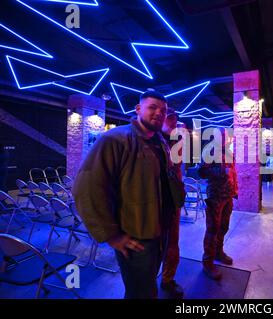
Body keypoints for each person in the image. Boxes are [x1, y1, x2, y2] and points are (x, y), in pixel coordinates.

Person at [72, 90, 185, 299]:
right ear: (138, 109)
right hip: (136, 236)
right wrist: (111, 235)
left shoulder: (159, 141)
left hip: (159, 229)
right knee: (141, 293)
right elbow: (86, 189)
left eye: (163, 110)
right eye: (152, 108)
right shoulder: (115, 139)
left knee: (146, 285)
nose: (159, 113)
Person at [199, 132, 238, 280]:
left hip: (228, 196)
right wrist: (221, 171)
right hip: (215, 196)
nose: (226, 139)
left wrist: (235, 190)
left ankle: (218, 252)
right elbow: (202, 171)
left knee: (224, 227)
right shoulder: (210, 151)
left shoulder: (228, 151)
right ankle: (208, 261)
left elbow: (233, 172)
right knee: (212, 229)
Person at [160, 108, 184, 298]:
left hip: (172, 201)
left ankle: (167, 279)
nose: (174, 122)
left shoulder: (176, 141)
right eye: (170, 119)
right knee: (152, 245)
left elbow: (176, 170)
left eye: (175, 120)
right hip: (153, 202)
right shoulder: (150, 140)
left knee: (172, 244)